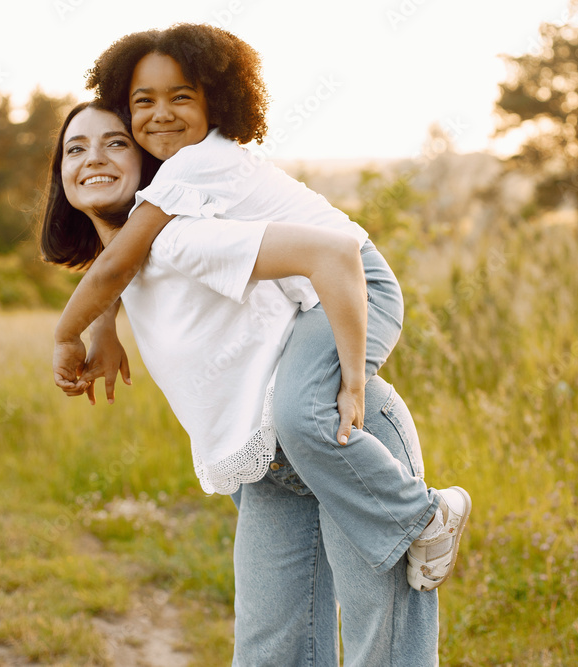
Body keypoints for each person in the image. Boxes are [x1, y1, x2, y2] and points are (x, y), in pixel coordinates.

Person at [51, 23, 470, 594]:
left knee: (302, 413)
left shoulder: (190, 166)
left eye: (182, 97)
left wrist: (66, 334)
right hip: (325, 286)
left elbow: (116, 263)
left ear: (217, 101)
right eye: (142, 101)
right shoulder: (189, 173)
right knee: (299, 414)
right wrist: (105, 327)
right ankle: (412, 516)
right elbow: (120, 259)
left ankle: (426, 516)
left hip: (355, 284)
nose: (161, 113)